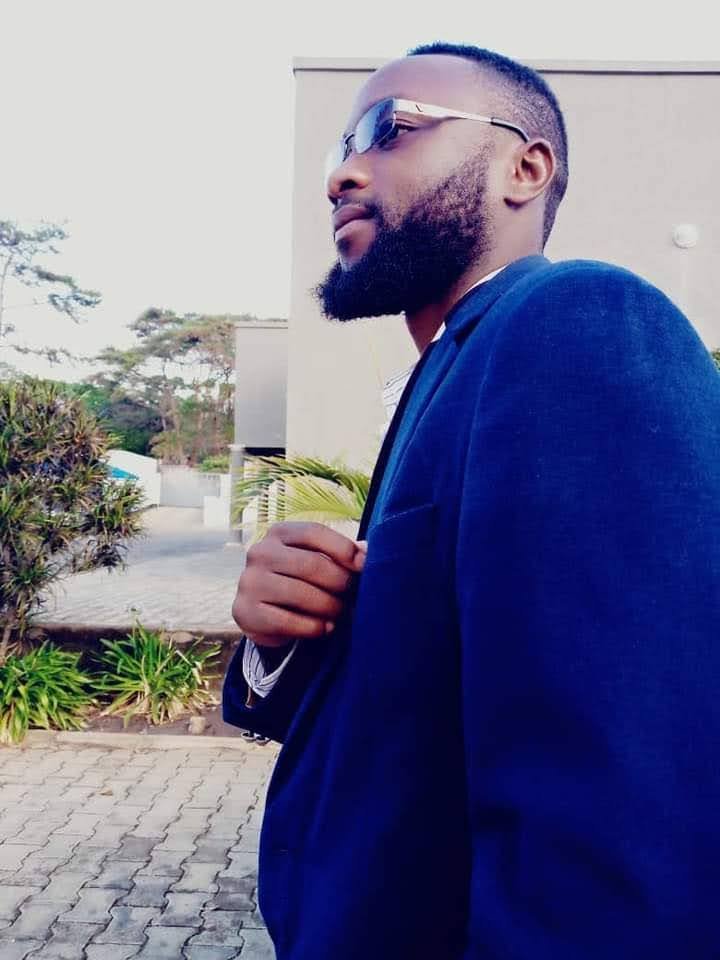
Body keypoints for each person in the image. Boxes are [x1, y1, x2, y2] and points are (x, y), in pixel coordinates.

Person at [224, 42, 720, 959]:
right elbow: (427, 706)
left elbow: (618, 804)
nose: (341, 174)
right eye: (340, 147)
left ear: (525, 169)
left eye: (392, 129)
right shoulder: (455, 365)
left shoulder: (580, 322)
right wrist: (281, 638)